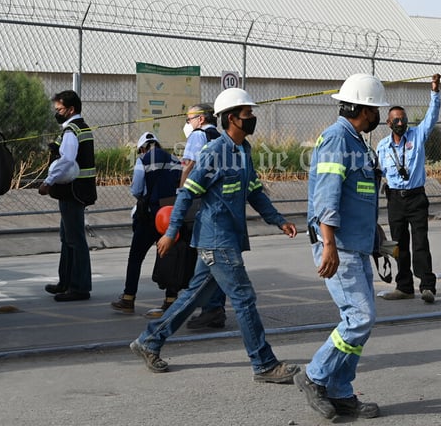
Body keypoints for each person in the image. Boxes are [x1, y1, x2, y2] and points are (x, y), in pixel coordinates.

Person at [129, 87, 300, 385]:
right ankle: (263, 363)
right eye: (248, 114)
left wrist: (278, 220)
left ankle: (149, 340)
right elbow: (185, 196)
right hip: (216, 239)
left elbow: (254, 192)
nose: (253, 118)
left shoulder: (243, 151)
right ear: (232, 119)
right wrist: (171, 232)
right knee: (244, 298)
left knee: (193, 297)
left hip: (226, 238)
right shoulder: (214, 153)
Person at [295, 73, 387, 420]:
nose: (378, 115)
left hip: (356, 244)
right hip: (340, 245)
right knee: (360, 317)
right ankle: (314, 376)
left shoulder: (356, 141)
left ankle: (340, 390)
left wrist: (373, 232)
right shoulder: (337, 140)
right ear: (364, 109)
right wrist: (328, 244)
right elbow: (327, 196)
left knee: (358, 318)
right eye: (375, 109)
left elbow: (358, 195)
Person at [376, 73, 441, 304]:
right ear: (389, 123)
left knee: (420, 242)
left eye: (403, 119)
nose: (401, 123)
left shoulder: (417, 136)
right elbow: (378, 174)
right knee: (398, 244)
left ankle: (427, 286)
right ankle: (404, 287)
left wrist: (434, 91)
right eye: (396, 120)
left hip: (416, 197)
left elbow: (431, 117)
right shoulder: (382, 146)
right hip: (394, 198)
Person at [111, 132, 182, 316]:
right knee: (169, 257)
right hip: (168, 216)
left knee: (135, 257)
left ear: (142, 147)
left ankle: (128, 298)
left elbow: (136, 189)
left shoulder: (142, 160)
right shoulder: (175, 159)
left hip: (149, 216)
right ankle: (170, 299)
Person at [39, 90, 97, 301]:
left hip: (73, 191)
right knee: (67, 237)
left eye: (60, 109)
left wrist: (48, 181)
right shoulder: (81, 128)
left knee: (75, 239)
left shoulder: (72, 131)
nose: (57, 112)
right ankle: (66, 282)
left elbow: (66, 161)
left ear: (71, 110)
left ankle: (79, 287)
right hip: (77, 191)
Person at [179, 103, 227, 330]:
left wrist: (181, 193)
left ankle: (211, 308)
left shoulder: (198, 135)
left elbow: (189, 165)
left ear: (199, 119)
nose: (187, 123)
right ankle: (215, 308)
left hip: (200, 198)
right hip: (218, 198)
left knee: (206, 256)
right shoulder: (219, 136)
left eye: (189, 118)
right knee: (214, 257)